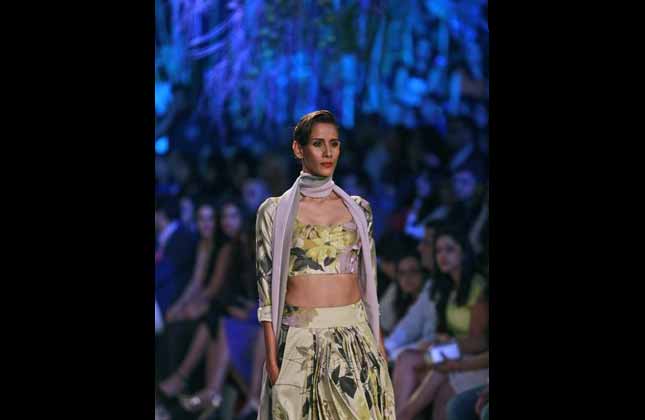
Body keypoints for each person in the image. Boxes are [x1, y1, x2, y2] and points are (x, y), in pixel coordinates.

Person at [255, 110, 396, 419]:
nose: (328, 152)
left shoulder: (359, 210)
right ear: (298, 149)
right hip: (299, 341)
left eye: (334, 143)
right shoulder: (274, 212)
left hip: (355, 339)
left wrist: (379, 347)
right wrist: (272, 360)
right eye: (318, 143)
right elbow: (266, 292)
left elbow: (367, 280)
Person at [394, 228, 489, 420]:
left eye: (449, 250)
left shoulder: (477, 286)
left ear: (463, 252)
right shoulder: (446, 287)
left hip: (469, 353)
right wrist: (441, 341)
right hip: (453, 349)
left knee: (437, 374)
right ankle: (398, 414)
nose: (442, 256)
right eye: (438, 251)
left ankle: (401, 415)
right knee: (406, 359)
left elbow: (478, 342)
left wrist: (448, 346)